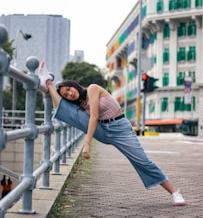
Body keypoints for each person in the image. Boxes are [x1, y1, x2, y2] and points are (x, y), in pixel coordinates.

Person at [38, 60, 186, 206]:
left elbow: (94, 116)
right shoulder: (81, 105)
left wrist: (87, 144)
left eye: (69, 89)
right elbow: (61, 107)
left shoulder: (93, 88)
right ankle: (48, 84)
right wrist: (51, 89)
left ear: (74, 85)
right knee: (73, 114)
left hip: (120, 129)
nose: (70, 93)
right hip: (103, 130)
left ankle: (175, 192)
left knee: (142, 161)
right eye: (66, 94)